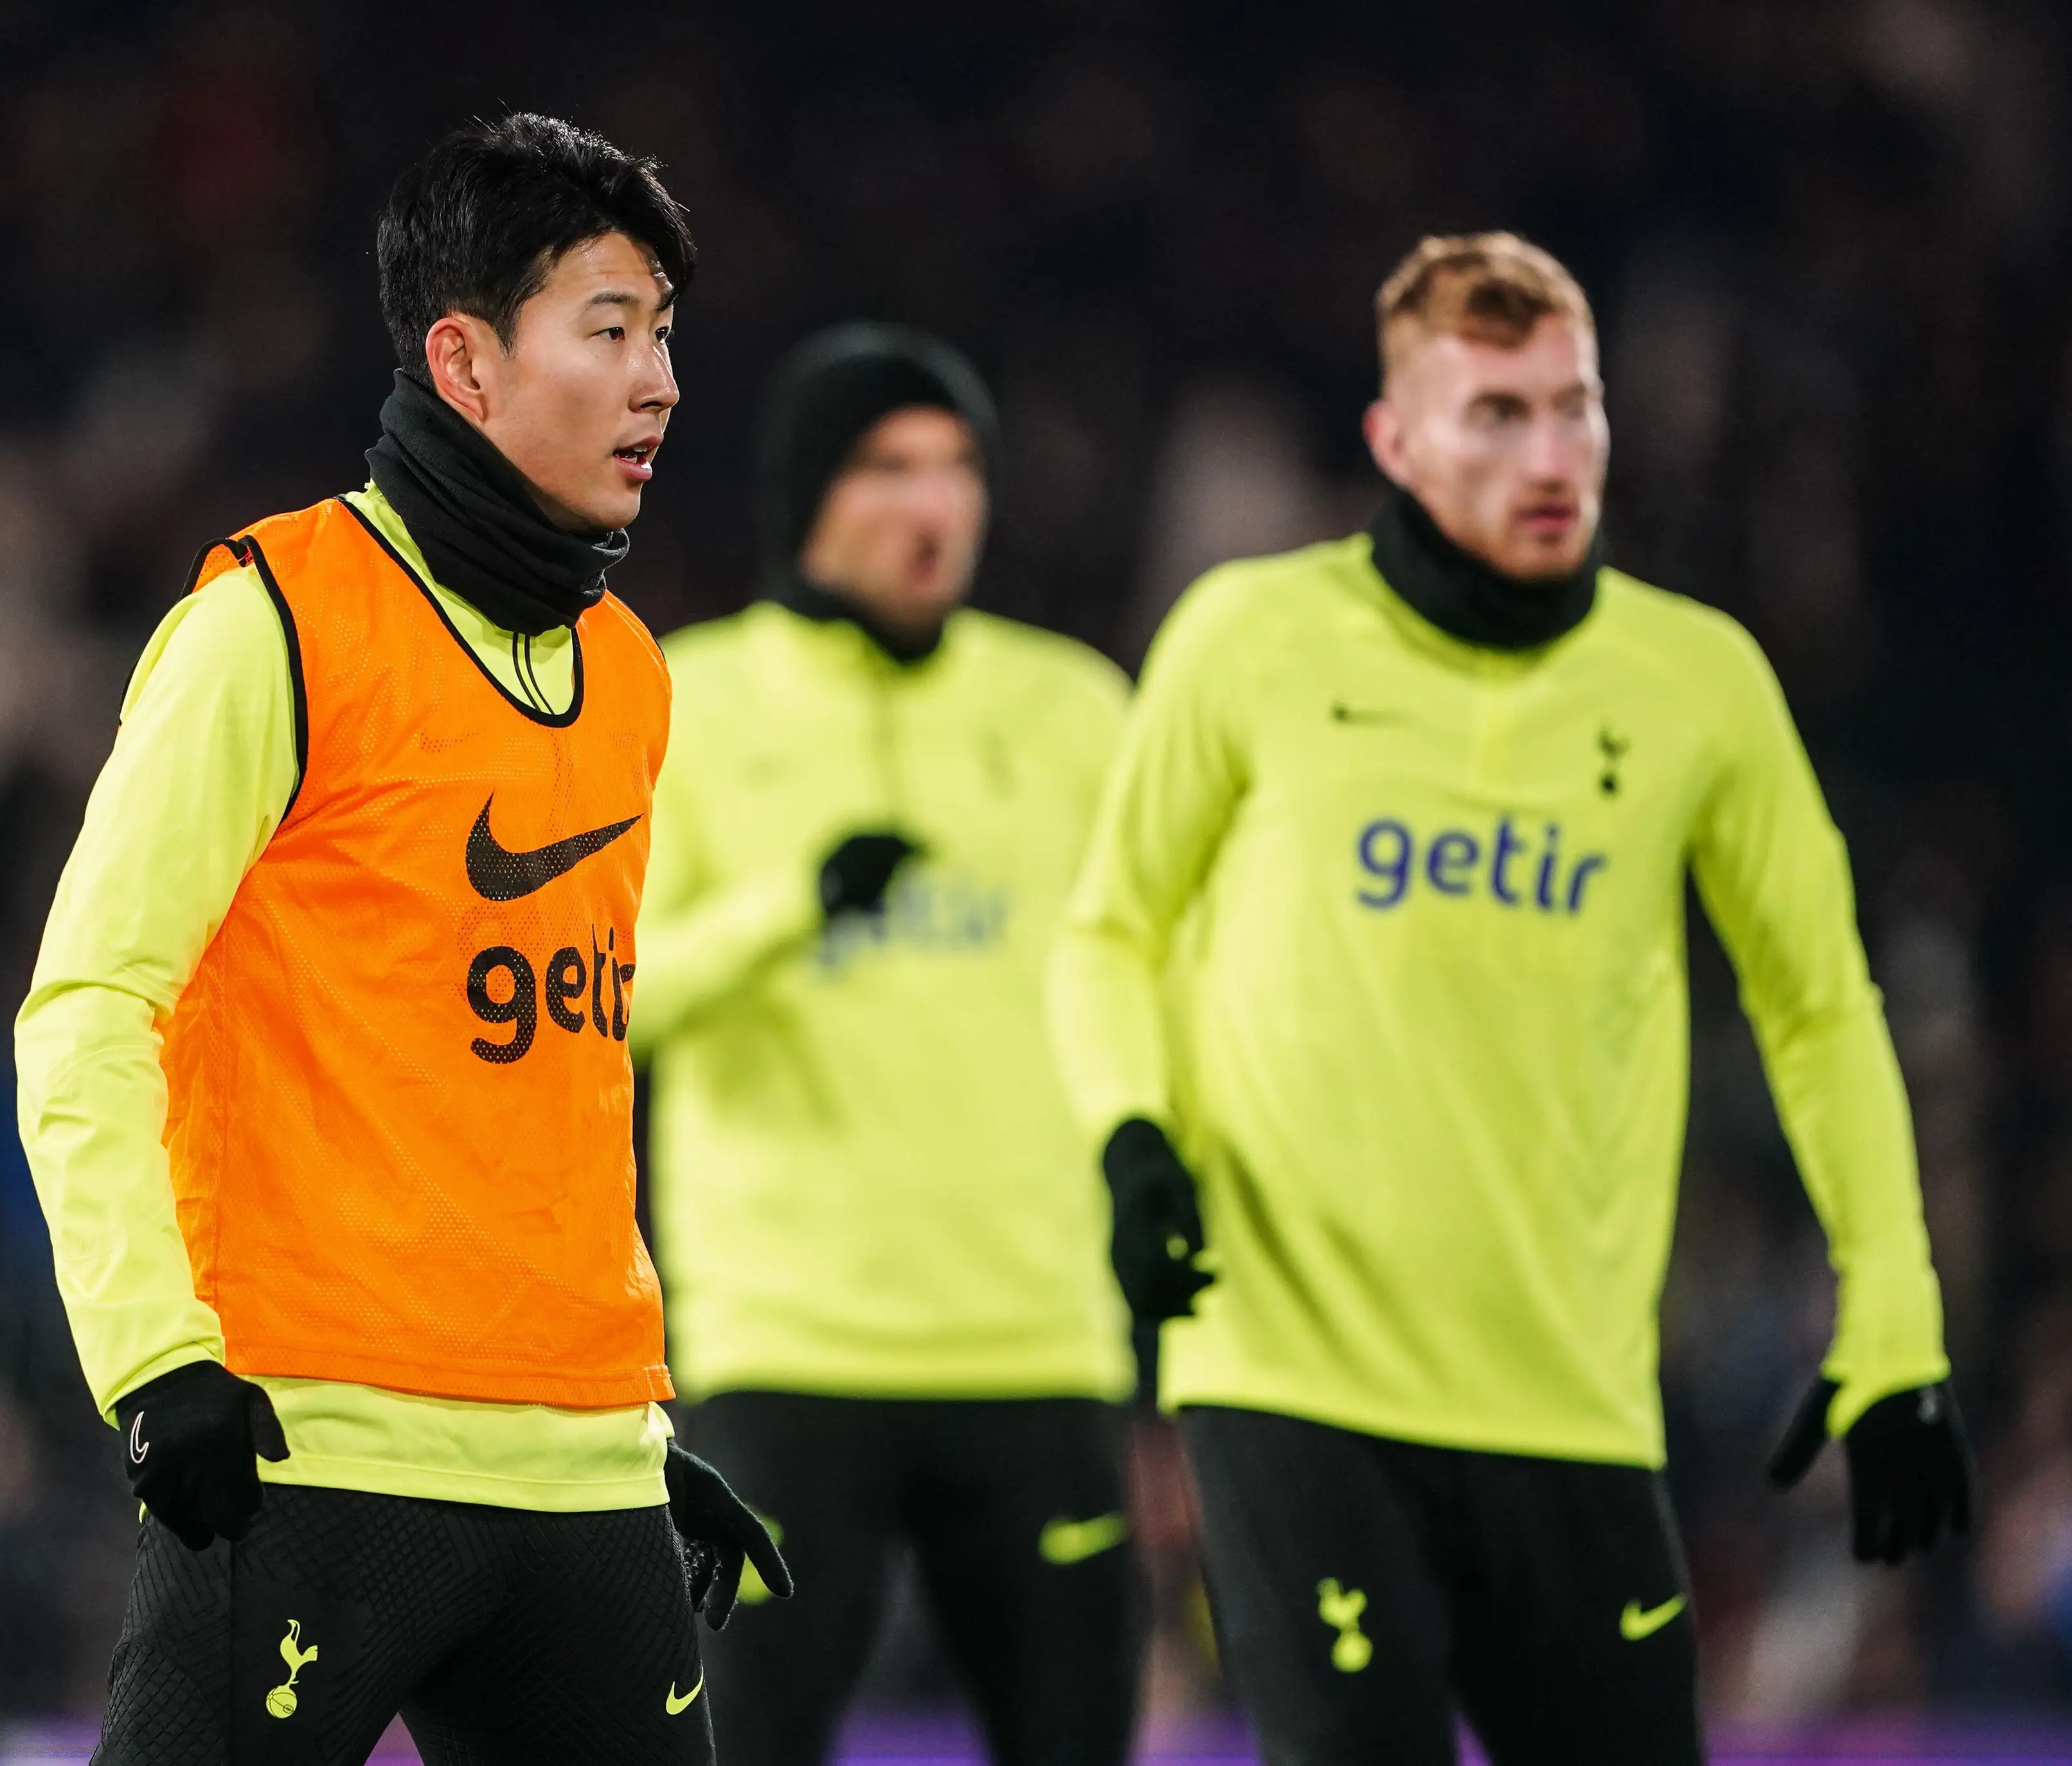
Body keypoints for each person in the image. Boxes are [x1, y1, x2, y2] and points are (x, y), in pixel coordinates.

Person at [1048, 233, 1976, 1766]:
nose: (1551, 456)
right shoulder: (1250, 641)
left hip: (1575, 1402)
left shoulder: (1699, 683)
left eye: (1575, 406)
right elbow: (1107, 933)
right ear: (1397, 441)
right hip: (1293, 1377)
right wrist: (1133, 1144)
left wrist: (1895, 1324)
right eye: (1496, 414)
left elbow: (1820, 1006)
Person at [15, 114, 785, 1766]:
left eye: (665, 336)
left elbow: (549, 1084)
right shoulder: (272, 627)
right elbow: (87, 1005)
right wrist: (155, 1360)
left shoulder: (635, 676)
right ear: (466, 360)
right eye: (609, 331)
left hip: (582, 1471)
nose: (659, 382)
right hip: (312, 1454)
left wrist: (640, 1426)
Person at [630, 323, 1140, 1766]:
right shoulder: (687, 698)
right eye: (889, 467)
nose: (936, 505)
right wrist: (792, 910)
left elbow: (1162, 982)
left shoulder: (1075, 709)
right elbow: (612, 997)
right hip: (789, 1345)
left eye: (961, 468)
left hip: (1041, 1341)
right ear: (806, 498)